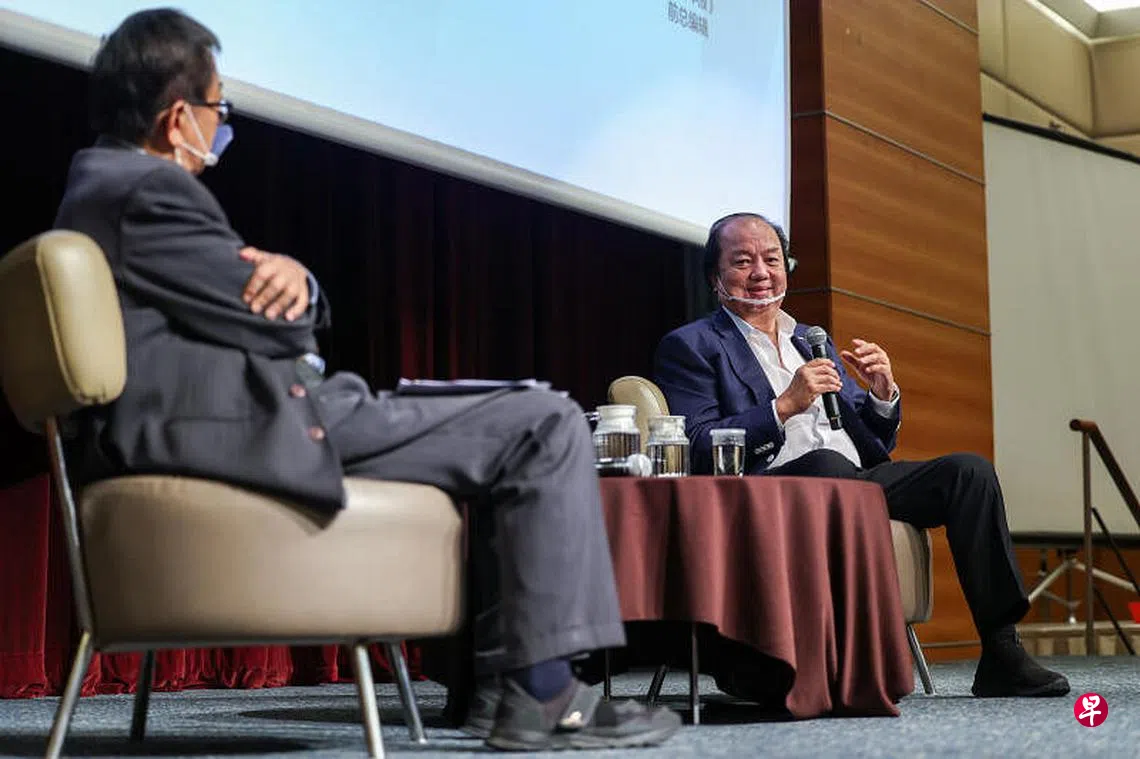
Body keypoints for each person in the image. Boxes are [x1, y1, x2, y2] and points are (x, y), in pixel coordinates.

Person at [53, 9, 679, 751]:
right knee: (546, 421)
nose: (223, 123)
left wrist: (288, 279)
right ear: (177, 116)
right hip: (244, 426)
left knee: (513, 424)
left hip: (237, 415)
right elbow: (284, 323)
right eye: (219, 105)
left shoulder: (100, 185)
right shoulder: (149, 192)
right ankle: (544, 693)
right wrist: (299, 283)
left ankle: (499, 693)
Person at [653, 212, 1069, 699]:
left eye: (772, 259)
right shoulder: (692, 345)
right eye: (743, 262)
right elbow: (699, 443)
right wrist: (783, 407)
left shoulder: (810, 339)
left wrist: (881, 393)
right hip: (769, 491)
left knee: (969, 472)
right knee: (826, 465)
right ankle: (855, 656)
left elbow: (873, 441)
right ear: (715, 277)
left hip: (853, 477)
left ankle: (1001, 650)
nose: (761, 272)